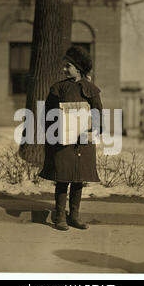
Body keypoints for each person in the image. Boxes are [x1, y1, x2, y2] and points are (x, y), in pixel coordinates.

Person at [39, 45, 103, 231]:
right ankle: (59, 216)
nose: (64, 69)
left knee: (78, 179)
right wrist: (58, 130)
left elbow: (98, 114)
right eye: (64, 66)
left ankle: (74, 216)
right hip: (63, 142)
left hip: (83, 142)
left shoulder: (91, 90)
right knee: (62, 178)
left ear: (79, 68)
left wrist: (92, 131)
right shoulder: (57, 89)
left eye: (68, 66)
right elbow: (47, 117)